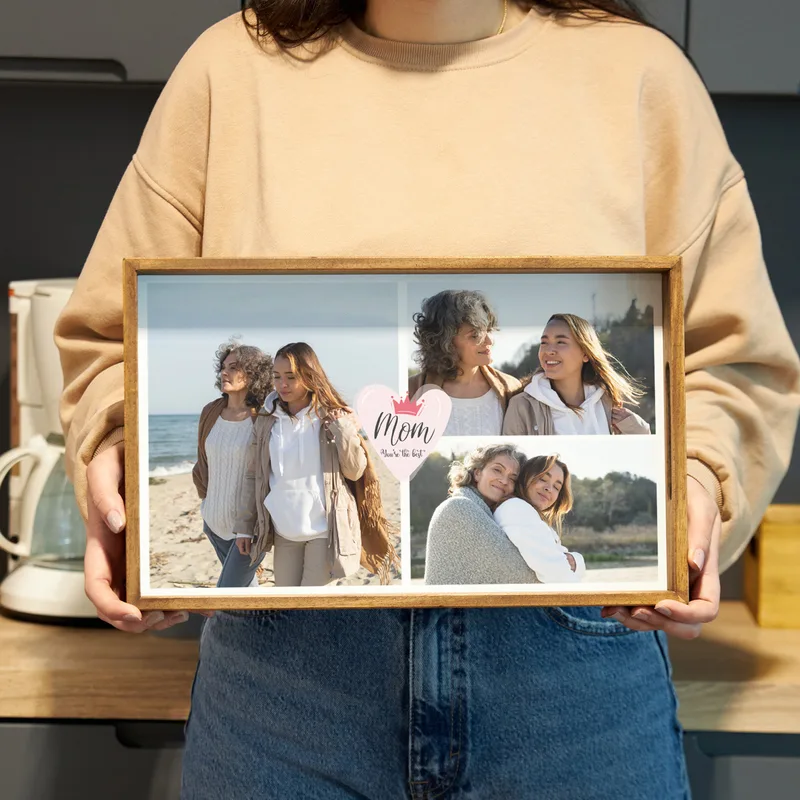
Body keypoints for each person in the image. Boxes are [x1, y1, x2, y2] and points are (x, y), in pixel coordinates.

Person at [54, 1, 800, 797]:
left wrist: (691, 484)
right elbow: (113, 344)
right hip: (287, 688)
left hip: (571, 680)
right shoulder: (228, 73)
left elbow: (730, 363)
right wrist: (114, 449)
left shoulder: (642, 79)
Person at [233, 341, 394, 586]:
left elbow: (354, 471)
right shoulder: (266, 421)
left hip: (324, 530)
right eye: (277, 377)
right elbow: (252, 476)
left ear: (309, 376)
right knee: (288, 608)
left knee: (310, 608)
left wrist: (342, 430)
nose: (282, 384)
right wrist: (245, 527)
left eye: (291, 376)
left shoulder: (332, 417)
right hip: (284, 529)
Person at [192, 340, 273, 588]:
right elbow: (203, 463)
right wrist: (207, 503)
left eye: (235, 367)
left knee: (227, 594)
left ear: (253, 374)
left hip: (249, 530)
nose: (224, 372)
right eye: (224, 367)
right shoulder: (211, 412)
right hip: (214, 524)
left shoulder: (264, 417)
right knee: (247, 594)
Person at [503, 312, 652, 435]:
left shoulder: (608, 402)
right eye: (544, 342)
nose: (549, 351)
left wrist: (634, 427)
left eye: (561, 342)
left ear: (585, 354)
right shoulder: (522, 406)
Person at [408, 289, 521, 434]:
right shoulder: (411, 390)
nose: (489, 341)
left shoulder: (512, 389)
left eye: (489, 330)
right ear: (444, 341)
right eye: (475, 335)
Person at [423, 444, 537, 584]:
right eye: (497, 470)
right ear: (477, 473)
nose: (504, 480)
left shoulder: (490, 514)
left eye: (512, 478)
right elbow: (522, 575)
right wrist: (560, 562)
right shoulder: (459, 508)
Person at [494, 454, 586, 582]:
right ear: (525, 477)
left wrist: (575, 561)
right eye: (543, 479)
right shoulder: (517, 508)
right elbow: (556, 572)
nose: (549, 488)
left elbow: (561, 560)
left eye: (556, 487)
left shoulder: (530, 515)